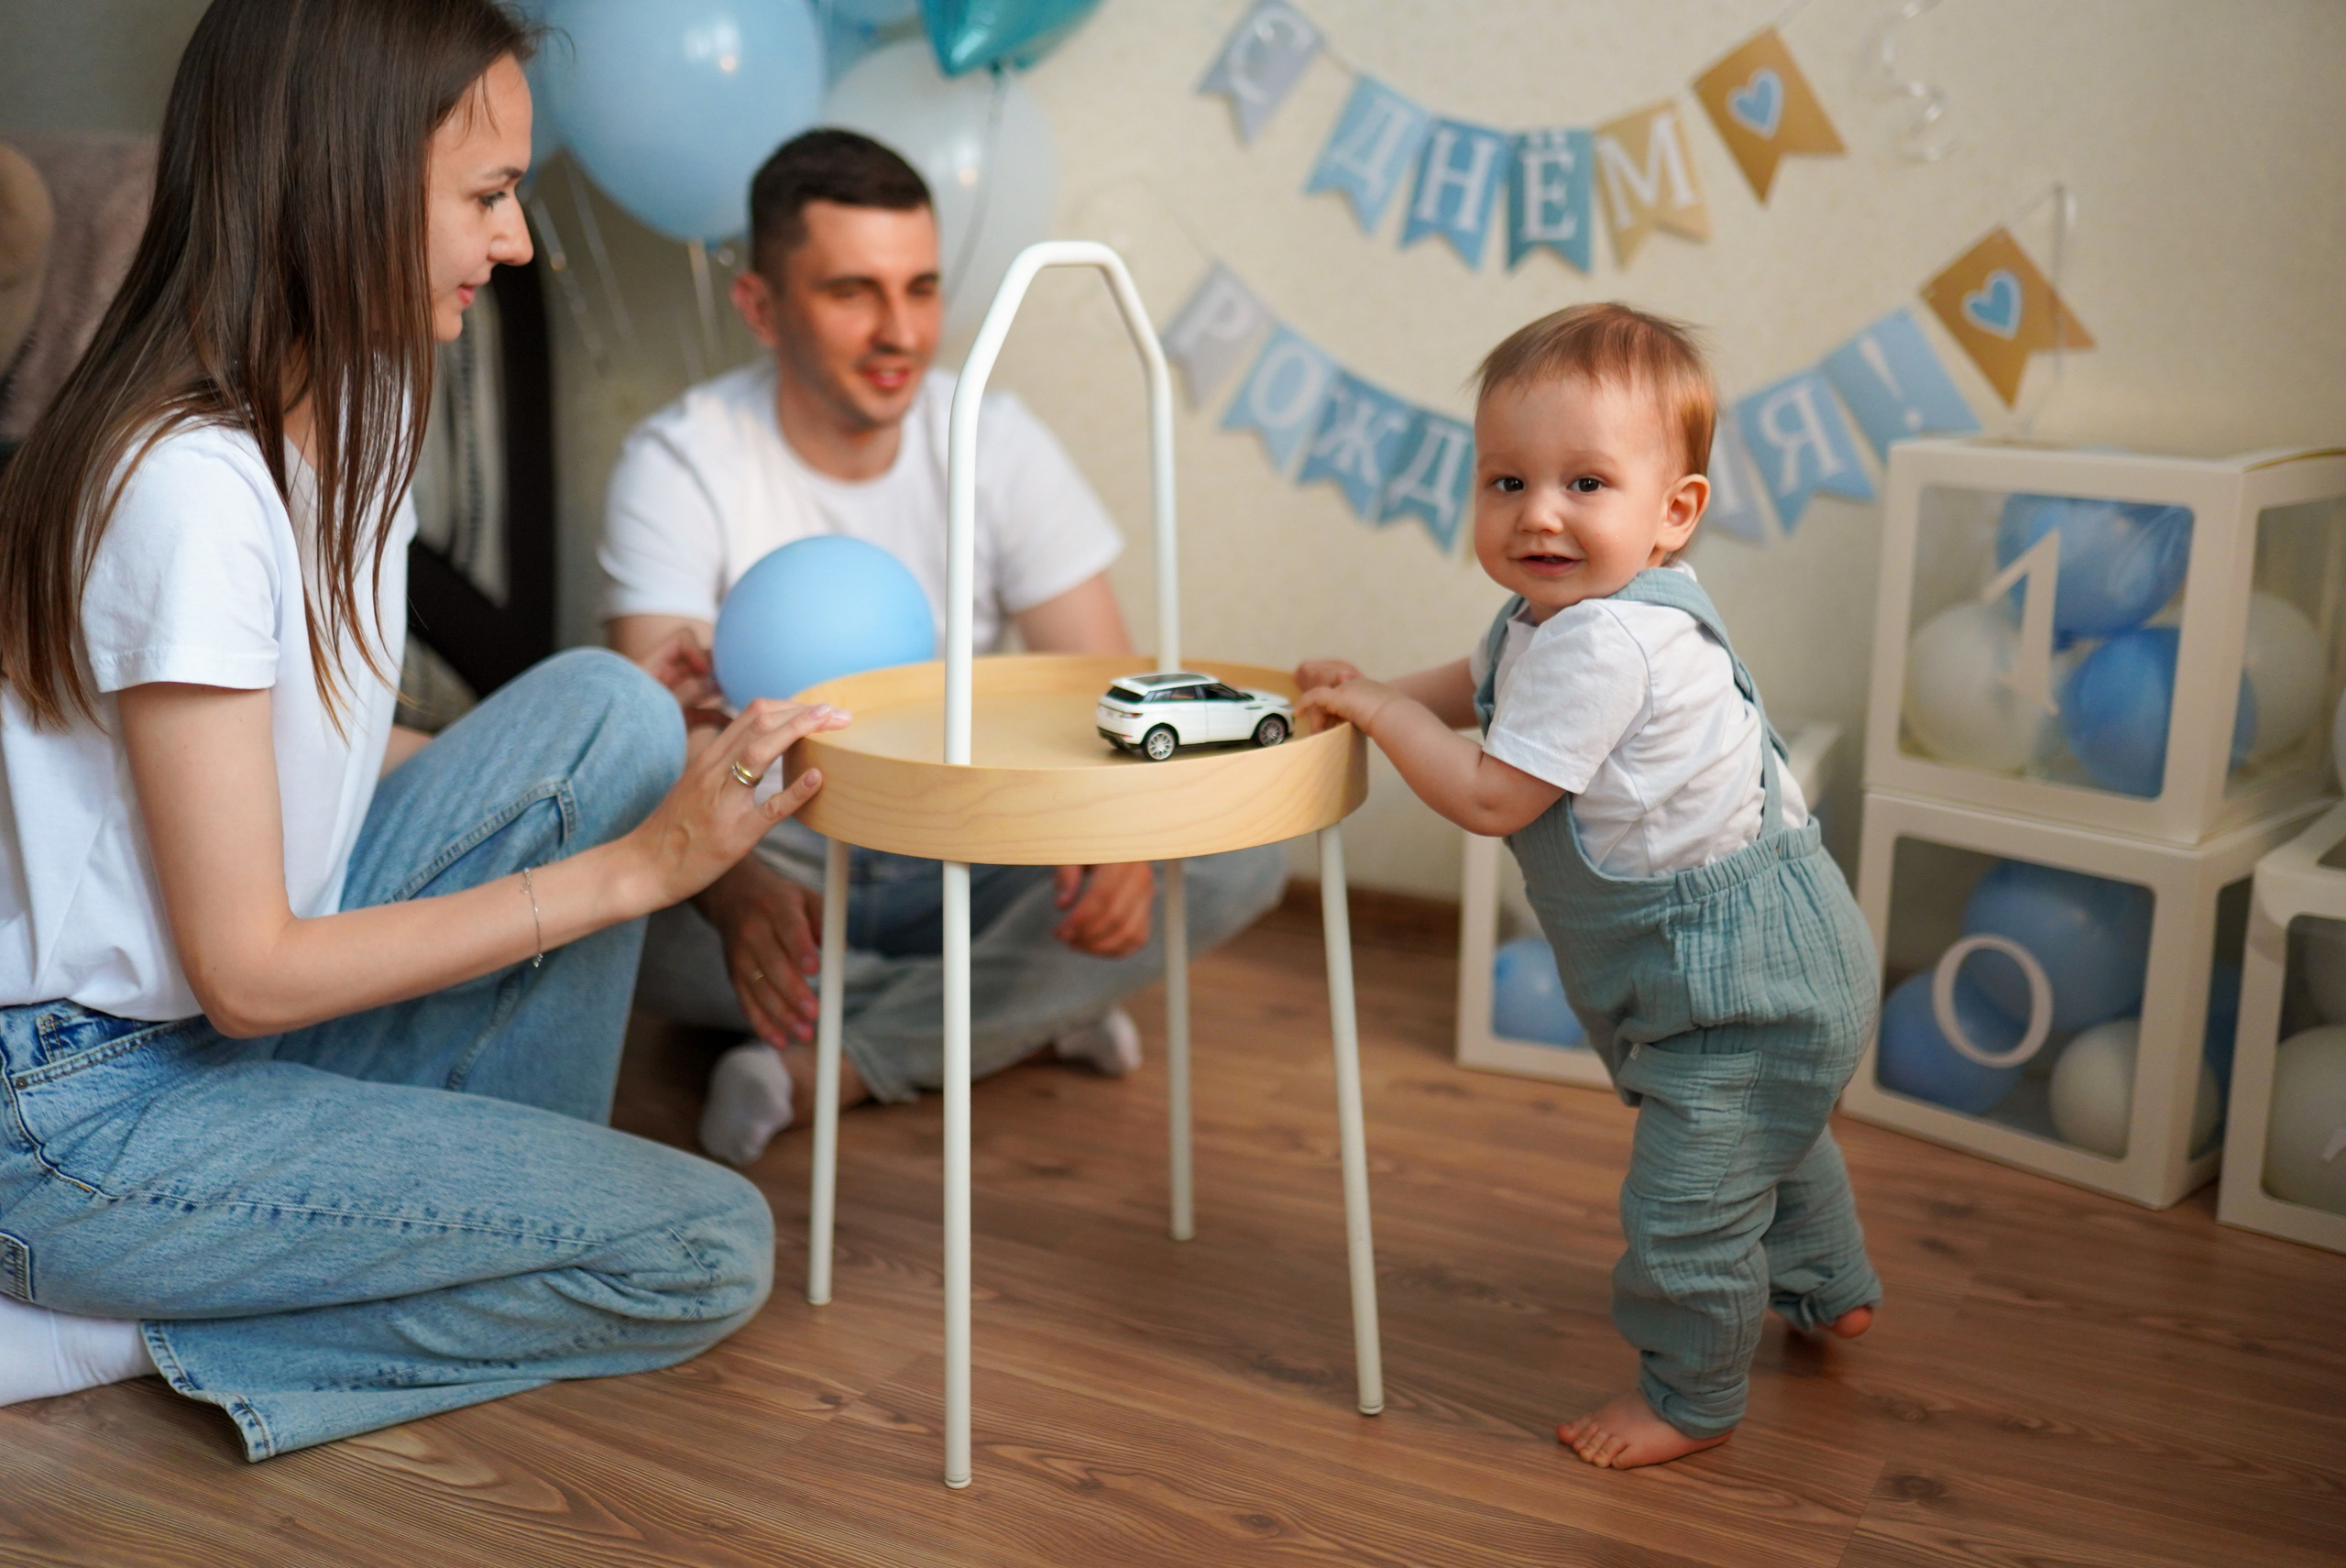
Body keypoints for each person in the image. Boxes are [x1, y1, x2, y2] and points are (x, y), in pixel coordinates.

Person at [0, 0, 852, 1458]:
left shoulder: (362, 411)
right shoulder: (188, 491)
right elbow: (254, 970)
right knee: (697, 1249)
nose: (515, 242)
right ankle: (95, 1326)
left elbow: (317, 753)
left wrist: (689, 816)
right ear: (341, 185)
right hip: (77, 1115)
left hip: (213, 1045)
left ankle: (390, 1224)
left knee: (607, 708)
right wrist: (642, 868)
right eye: (490, 196)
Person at [603, 129, 1285, 1167]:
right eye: (851, 292)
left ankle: (837, 1060)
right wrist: (733, 893)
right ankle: (1011, 1018)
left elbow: (1116, 685)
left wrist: (1122, 845)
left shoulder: (996, 439)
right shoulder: (678, 462)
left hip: (963, 844)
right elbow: (665, 743)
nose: (901, 332)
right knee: (592, 916)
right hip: (774, 853)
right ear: (759, 307)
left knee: (1238, 845)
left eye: (921, 288)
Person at [1293, 303, 1881, 1470]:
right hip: (1784, 956)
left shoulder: (1607, 645)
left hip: (1741, 983)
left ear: (1674, 512)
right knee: (1776, 1134)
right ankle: (1832, 1287)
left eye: (1585, 483)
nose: (1539, 514)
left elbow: (1488, 797)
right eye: (1505, 480)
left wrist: (1378, 715)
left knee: (1685, 1209)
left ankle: (1690, 1398)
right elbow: (1476, 683)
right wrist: (1373, 685)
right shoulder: (1552, 621)